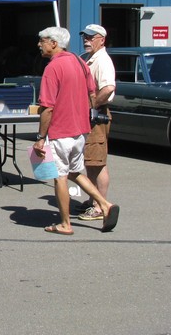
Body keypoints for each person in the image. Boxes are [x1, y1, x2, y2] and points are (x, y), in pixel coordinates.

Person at [33, 26, 120, 235]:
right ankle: (104, 204)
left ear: (54, 43)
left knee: (60, 177)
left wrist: (40, 138)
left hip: (60, 131)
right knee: (74, 172)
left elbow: (47, 108)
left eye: (42, 41)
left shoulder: (53, 68)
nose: (39, 44)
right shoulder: (79, 62)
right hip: (80, 131)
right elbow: (92, 93)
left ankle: (65, 224)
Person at [77, 24, 116, 221]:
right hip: (90, 115)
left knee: (97, 163)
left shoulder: (102, 60)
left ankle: (100, 206)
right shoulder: (89, 58)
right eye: (85, 36)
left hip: (97, 115)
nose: (87, 40)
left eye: (91, 37)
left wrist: (91, 106)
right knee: (90, 161)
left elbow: (108, 88)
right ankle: (94, 199)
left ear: (102, 39)